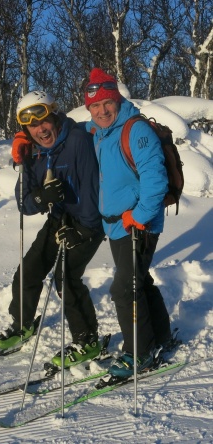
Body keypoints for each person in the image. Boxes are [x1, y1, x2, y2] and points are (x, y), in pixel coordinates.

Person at [0, 90, 105, 369]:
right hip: (58, 220)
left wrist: (83, 231)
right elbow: (25, 204)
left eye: (43, 121)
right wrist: (42, 194)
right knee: (28, 270)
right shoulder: (33, 152)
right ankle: (23, 324)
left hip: (89, 221)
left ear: (54, 116)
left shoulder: (77, 141)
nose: (40, 129)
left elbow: (92, 191)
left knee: (65, 278)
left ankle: (87, 339)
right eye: (31, 125)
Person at [84, 68, 173, 379]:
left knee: (124, 289)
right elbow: (63, 136)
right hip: (116, 226)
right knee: (139, 280)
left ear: (117, 100)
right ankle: (160, 336)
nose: (102, 110)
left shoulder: (136, 130)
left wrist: (138, 215)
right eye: (95, 106)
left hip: (138, 224)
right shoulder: (97, 132)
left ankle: (140, 352)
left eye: (107, 102)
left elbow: (156, 180)